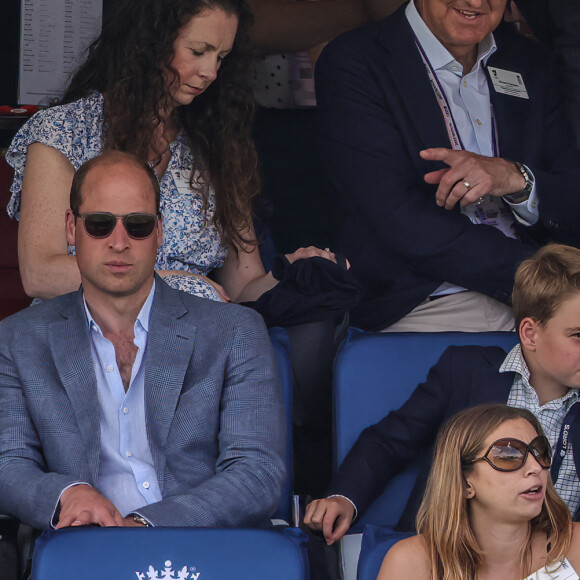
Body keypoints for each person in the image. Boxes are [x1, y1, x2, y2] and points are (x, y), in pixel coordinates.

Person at [0, 151, 285, 531]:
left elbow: (257, 472)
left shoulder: (236, 332)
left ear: (159, 232)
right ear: (71, 227)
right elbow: (8, 462)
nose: (119, 242)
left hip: (198, 551)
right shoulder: (17, 340)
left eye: (138, 225)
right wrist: (67, 494)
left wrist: (148, 525)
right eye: (100, 224)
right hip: (81, 552)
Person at [6, 0, 334, 305]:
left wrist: (288, 270)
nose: (211, 72)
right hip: (84, 336)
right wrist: (170, 284)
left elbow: (241, 288)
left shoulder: (216, 145)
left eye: (221, 56)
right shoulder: (64, 130)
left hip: (190, 341)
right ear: (150, 43)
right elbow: (41, 274)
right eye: (198, 51)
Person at [314, 0, 580, 332]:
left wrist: (517, 178)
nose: (475, 2)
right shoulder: (357, 61)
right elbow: (397, 218)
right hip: (431, 297)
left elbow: (571, 196)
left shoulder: (530, 62)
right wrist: (539, 275)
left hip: (549, 295)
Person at [304, 244, 580, 544]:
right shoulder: (467, 371)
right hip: (446, 554)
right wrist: (344, 497)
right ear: (530, 334)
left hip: (554, 563)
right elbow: (389, 441)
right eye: (578, 335)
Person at [378, 404, 580, 580]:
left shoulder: (575, 546)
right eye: (508, 455)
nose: (535, 467)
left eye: (539, 451)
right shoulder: (410, 563)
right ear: (465, 483)